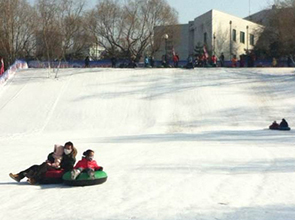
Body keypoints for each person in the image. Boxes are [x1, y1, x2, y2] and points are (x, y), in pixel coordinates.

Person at [9, 141, 77, 184]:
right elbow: (51, 156)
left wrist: (59, 165)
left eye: (68, 149)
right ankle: (19, 176)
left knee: (45, 165)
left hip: (59, 168)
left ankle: (34, 178)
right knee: (35, 166)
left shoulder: (71, 158)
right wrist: (52, 156)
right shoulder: (61, 153)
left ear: (71, 149)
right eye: (65, 148)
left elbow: (68, 167)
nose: (66, 150)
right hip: (54, 166)